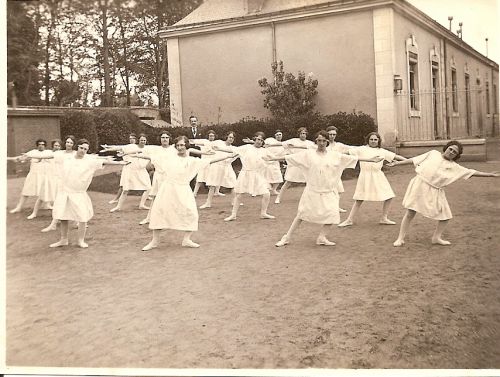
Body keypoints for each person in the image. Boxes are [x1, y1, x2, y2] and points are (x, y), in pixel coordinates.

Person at [266, 130, 383, 247]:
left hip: (329, 190)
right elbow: (289, 157)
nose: (321, 143)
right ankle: (287, 237)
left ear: (327, 142)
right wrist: (271, 159)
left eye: (323, 141)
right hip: (312, 190)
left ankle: (322, 237)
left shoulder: (334, 155)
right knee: (302, 214)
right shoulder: (308, 154)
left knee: (332, 214)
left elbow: (353, 159)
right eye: (319, 140)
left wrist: (371, 160)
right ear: (316, 141)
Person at [388, 141, 500, 247]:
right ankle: (400, 238)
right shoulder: (433, 153)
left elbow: (471, 172)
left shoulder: (454, 166)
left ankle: (436, 238)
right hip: (419, 185)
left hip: (435, 190)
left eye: (454, 152)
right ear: (446, 148)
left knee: (445, 215)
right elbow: (414, 160)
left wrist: (490, 174)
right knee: (410, 212)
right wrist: (397, 163)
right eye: (450, 149)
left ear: (456, 155)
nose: (451, 152)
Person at [142, 136, 233, 251]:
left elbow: (209, 161)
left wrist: (228, 156)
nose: (180, 147)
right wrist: (133, 155)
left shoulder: (192, 161)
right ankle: (154, 241)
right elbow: (151, 156)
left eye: (182, 145)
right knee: (160, 211)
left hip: (183, 189)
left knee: (191, 212)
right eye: (178, 145)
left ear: (186, 146)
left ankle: (186, 239)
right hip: (168, 188)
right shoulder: (169, 158)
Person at [49, 139, 129, 248]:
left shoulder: (89, 160)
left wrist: (120, 163)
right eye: (81, 148)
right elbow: (50, 155)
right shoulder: (67, 158)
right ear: (77, 147)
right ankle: (64, 239)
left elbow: (104, 162)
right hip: (65, 191)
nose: (83, 150)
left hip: (79, 193)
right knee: (63, 216)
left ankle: (80, 240)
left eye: (85, 149)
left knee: (82, 217)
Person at [338, 132, 407, 227]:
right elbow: (347, 153)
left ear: (378, 141)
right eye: (371, 139)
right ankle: (349, 220)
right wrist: (334, 154)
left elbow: (396, 157)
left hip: (378, 175)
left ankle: (384, 218)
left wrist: (411, 161)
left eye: (375, 139)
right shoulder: (362, 149)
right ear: (368, 140)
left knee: (389, 196)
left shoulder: (382, 151)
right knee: (359, 198)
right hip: (365, 176)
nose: (373, 141)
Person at [216, 132, 276, 222]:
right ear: (254, 139)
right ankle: (233, 215)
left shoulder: (264, 151)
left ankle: (263, 213)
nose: (259, 142)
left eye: (261, 140)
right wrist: (219, 149)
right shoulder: (247, 147)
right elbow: (234, 150)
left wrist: (282, 157)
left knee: (267, 194)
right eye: (258, 139)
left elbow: (273, 158)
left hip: (257, 175)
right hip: (246, 174)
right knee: (240, 194)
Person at [103, 134, 152, 212]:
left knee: (148, 188)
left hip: (141, 170)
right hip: (130, 170)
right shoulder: (131, 146)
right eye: (141, 140)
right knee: (126, 189)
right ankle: (118, 207)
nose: (143, 141)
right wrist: (108, 148)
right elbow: (119, 147)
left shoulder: (148, 149)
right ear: (138, 141)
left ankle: (142, 205)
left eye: (144, 140)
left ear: (146, 141)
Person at [8, 138, 54, 217]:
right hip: (33, 175)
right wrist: (8, 158)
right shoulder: (32, 152)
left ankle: (47, 205)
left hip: (44, 176)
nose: (41, 146)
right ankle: (19, 207)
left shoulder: (49, 152)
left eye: (43, 144)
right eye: (39, 144)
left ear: (45, 146)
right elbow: (21, 158)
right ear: (37, 145)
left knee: (44, 191)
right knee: (26, 192)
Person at [40, 136, 78, 232]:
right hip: (61, 182)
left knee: (74, 202)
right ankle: (54, 223)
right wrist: (31, 156)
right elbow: (46, 156)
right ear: (65, 143)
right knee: (59, 202)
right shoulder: (59, 153)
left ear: (73, 144)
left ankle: (79, 222)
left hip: (72, 181)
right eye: (67, 142)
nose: (68, 144)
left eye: (71, 143)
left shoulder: (76, 154)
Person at [275, 127, 315, 204]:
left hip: (305, 165)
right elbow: (281, 144)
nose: (303, 135)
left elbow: (314, 149)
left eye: (304, 133)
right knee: (288, 182)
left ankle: (310, 198)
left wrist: (296, 147)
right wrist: (267, 145)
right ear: (299, 134)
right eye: (301, 133)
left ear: (306, 134)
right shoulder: (293, 140)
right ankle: (278, 197)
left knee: (310, 182)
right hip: (295, 164)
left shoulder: (310, 143)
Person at [199, 131, 238, 209]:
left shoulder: (233, 148)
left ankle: (234, 201)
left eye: (232, 138)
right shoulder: (219, 142)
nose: (231, 139)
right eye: (230, 137)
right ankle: (208, 203)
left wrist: (221, 150)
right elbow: (207, 144)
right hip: (217, 166)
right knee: (213, 184)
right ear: (226, 137)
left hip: (227, 167)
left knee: (234, 184)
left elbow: (235, 153)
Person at [326, 126, 353, 213]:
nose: (332, 136)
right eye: (330, 134)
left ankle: (335, 207)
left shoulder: (339, 145)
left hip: (336, 170)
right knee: (327, 190)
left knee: (339, 190)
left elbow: (351, 148)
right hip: (325, 170)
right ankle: (327, 207)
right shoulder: (323, 144)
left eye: (334, 134)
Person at [190, 130, 222, 197]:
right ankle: (194, 193)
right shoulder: (204, 141)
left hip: (213, 162)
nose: (211, 137)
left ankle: (217, 191)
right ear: (208, 136)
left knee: (215, 177)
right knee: (200, 178)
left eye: (213, 136)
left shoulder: (217, 142)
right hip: (204, 163)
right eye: (210, 136)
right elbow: (193, 141)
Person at [108, 133, 137, 204]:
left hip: (135, 168)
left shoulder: (138, 147)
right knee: (123, 184)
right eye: (130, 139)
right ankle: (116, 199)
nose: (131, 140)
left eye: (132, 138)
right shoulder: (126, 147)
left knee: (143, 183)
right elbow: (118, 149)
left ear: (136, 140)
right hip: (127, 167)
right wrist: (109, 147)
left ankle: (148, 196)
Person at [264, 129, 285, 195]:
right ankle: (264, 190)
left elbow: (283, 156)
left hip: (275, 162)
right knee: (265, 177)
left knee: (278, 177)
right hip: (266, 161)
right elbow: (262, 144)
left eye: (280, 134)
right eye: (277, 135)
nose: (279, 136)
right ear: (275, 136)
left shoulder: (283, 145)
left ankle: (274, 189)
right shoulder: (269, 140)